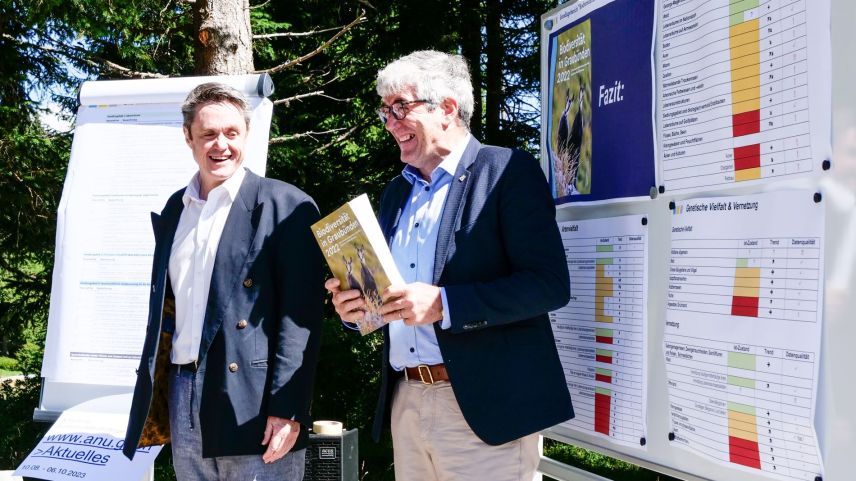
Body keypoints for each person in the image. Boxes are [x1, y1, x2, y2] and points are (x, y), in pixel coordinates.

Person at [326, 50, 574, 481]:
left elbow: (548, 285)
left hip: (485, 408)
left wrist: (446, 304)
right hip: (408, 399)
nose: (390, 123)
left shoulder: (506, 171)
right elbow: (385, 296)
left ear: (447, 108)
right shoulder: (395, 194)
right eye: (386, 112)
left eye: (401, 108)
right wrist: (355, 310)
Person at [123, 82, 323, 481]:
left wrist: (288, 408)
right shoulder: (175, 208)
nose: (221, 145)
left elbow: (300, 319)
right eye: (209, 134)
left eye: (232, 133)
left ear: (246, 135)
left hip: (255, 398)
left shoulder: (286, 206)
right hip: (182, 391)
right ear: (188, 137)